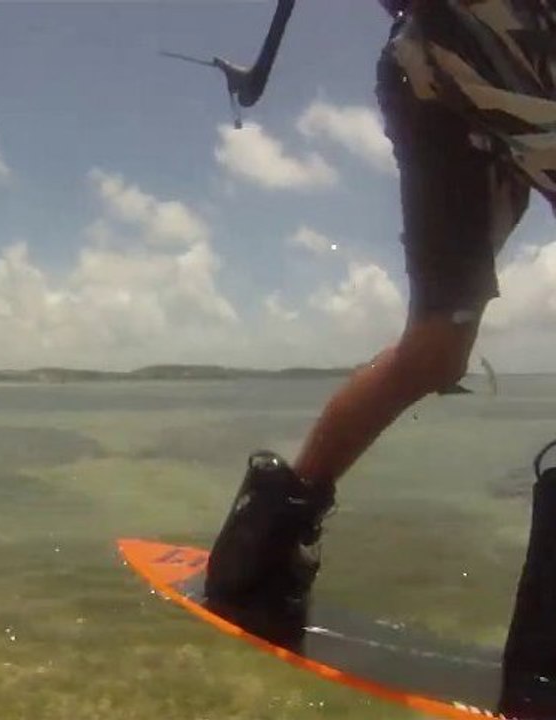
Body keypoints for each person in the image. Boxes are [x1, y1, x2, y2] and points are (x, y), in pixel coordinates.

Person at [204, 0, 548, 613]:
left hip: (451, 61)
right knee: (437, 347)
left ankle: (256, 550)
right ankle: (262, 545)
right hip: (444, 65)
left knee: (438, 351)